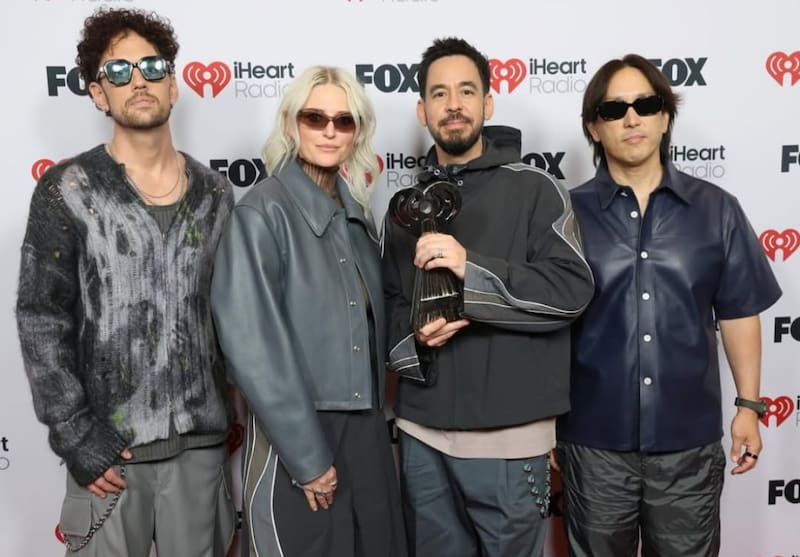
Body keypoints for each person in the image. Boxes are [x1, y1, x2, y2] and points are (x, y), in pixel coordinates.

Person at [15, 7, 236, 557]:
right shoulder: (66, 189)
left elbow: (235, 317)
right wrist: (76, 437)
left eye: (152, 66)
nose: (138, 80)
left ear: (173, 84)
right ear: (98, 94)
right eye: (118, 71)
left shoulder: (215, 194)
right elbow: (40, 317)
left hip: (200, 449)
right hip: (110, 456)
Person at [557, 54, 782, 557]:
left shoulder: (717, 209)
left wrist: (749, 406)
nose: (631, 118)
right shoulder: (564, 214)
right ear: (594, 128)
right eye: (614, 109)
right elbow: (549, 324)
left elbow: (740, 312)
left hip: (687, 446)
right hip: (593, 444)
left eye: (646, 103)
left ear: (664, 117)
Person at [382, 37, 595, 557]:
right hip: (421, 433)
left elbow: (571, 290)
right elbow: (388, 300)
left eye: (466, 91)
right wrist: (415, 338)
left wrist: (470, 273)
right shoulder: (404, 206)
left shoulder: (536, 188)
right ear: (422, 110)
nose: (453, 104)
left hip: (509, 440)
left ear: (488, 103)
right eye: (439, 94)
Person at [210, 65, 407, 557]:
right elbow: (251, 347)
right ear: (291, 122)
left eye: (344, 121)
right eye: (315, 117)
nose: (329, 130)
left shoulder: (357, 214)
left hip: (366, 431)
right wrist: (308, 456)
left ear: (357, 132)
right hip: (298, 435)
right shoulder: (262, 213)